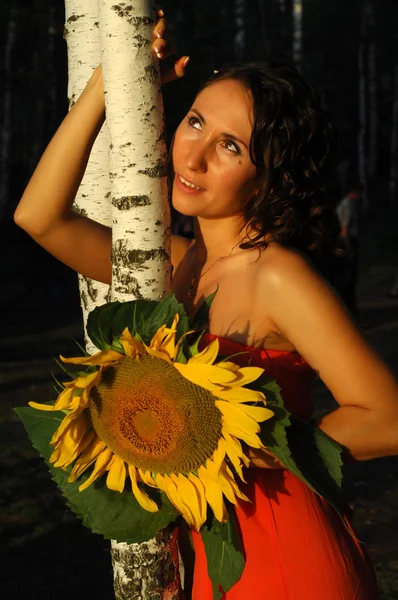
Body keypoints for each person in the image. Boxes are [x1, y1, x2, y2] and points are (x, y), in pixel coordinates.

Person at [14, 10, 398, 600]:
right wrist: (111, 81)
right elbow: (39, 218)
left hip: (285, 552)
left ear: (268, 176)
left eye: (229, 146)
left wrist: (230, 446)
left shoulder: (277, 275)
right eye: (194, 122)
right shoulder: (176, 262)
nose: (192, 157)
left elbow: (386, 416)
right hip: (211, 553)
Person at [335, 183, 362, 313]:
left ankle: (350, 306)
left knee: (348, 275)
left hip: (347, 239)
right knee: (349, 274)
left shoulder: (348, 204)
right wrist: (348, 246)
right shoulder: (348, 204)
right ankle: (348, 307)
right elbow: (345, 228)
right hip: (348, 240)